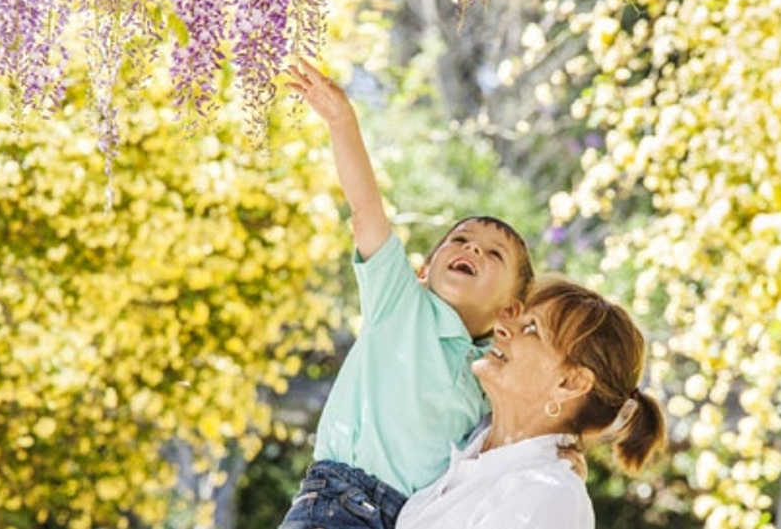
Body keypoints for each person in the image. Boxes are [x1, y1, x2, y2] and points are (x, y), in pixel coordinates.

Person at [278, 59, 537, 529]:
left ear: (510, 309)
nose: (472, 249)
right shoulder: (401, 303)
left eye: (493, 255)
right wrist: (342, 121)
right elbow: (366, 213)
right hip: (339, 503)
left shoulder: (491, 375)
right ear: (422, 270)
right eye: (460, 241)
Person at [396, 275, 666, 529]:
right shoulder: (474, 442)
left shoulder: (549, 495)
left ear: (571, 383)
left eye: (531, 329)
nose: (501, 327)